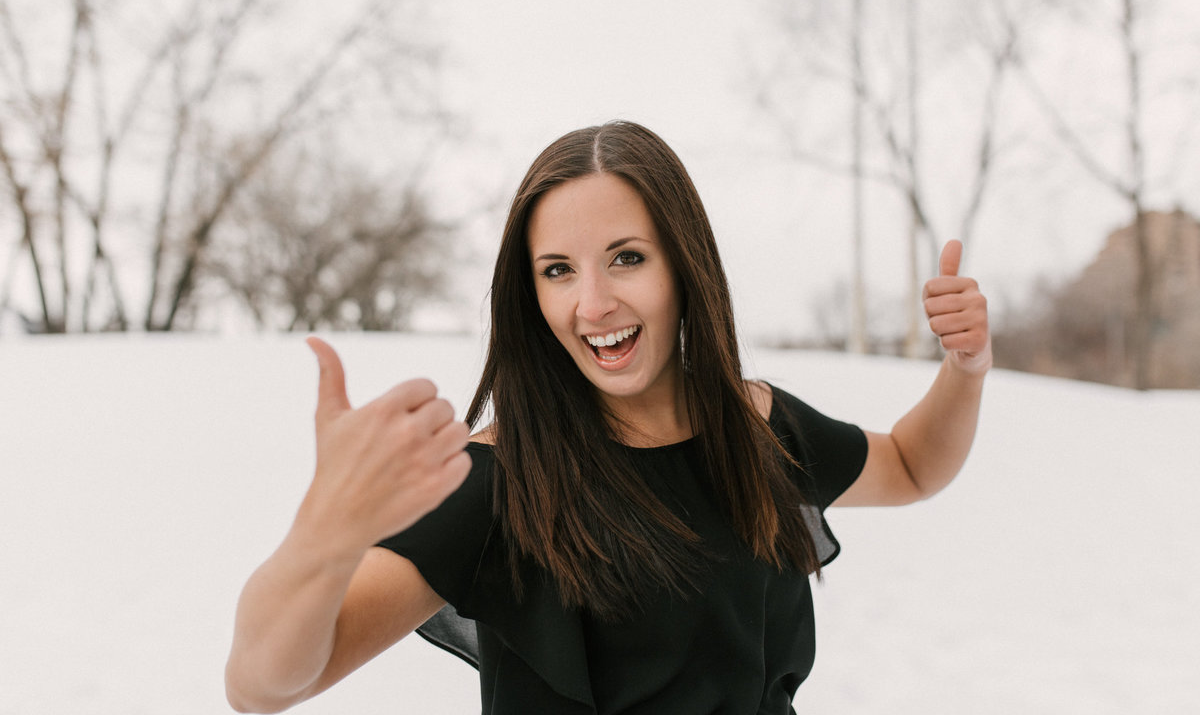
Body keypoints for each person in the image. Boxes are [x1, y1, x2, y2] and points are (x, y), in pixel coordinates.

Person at [225, 121, 991, 714]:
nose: (593, 305)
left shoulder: (757, 427)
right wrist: (323, 536)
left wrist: (965, 368)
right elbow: (262, 685)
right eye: (558, 271)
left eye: (627, 257)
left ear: (683, 263)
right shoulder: (494, 482)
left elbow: (915, 466)